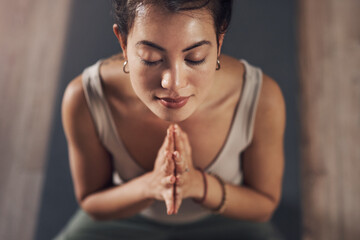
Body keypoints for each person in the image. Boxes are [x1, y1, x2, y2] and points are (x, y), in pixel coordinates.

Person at [56, 0, 286, 239]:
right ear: (123, 42)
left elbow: (264, 205)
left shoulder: (261, 99)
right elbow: (91, 201)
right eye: (151, 58)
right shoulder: (85, 98)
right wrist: (151, 186)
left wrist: (199, 186)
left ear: (219, 41)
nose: (174, 83)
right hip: (125, 216)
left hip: (228, 216)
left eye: (195, 58)